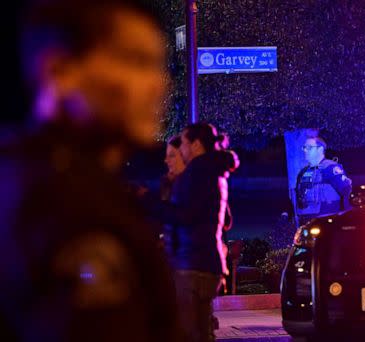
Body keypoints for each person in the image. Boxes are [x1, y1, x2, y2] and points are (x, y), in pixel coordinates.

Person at [0, 0, 179, 341]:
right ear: (60, 71)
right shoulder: (62, 205)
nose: (158, 84)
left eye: (159, 65)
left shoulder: (32, 176)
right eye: (136, 61)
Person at [147, 122, 239, 342]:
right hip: (201, 261)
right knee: (199, 331)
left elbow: (186, 216)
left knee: (189, 332)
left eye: (180, 149)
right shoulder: (212, 173)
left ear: (195, 145)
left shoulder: (196, 174)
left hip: (192, 262)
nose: (168, 160)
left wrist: (149, 202)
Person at [295, 136, 353, 225]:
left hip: (327, 223)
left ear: (320, 149)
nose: (305, 150)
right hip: (306, 223)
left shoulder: (330, 168)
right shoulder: (303, 172)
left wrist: (347, 220)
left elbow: (346, 191)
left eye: (309, 147)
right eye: (304, 147)